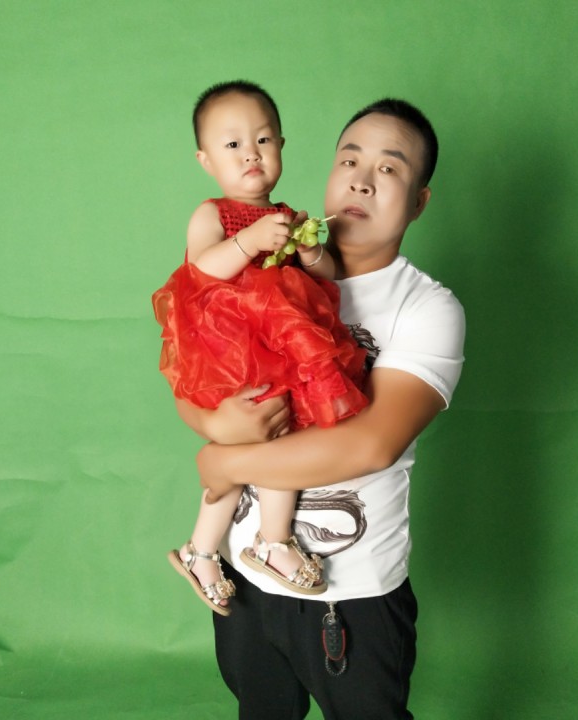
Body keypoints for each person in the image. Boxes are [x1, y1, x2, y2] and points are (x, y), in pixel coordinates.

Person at [178, 98, 466, 719]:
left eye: (388, 169)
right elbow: (200, 369)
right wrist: (215, 423)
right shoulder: (270, 265)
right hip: (246, 582)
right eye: (349, 160)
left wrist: (223, 460)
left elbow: (371, 445)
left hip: (350, 594)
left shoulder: (427, 308)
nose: (361, 180)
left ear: (419, 201)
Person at [153, 81, 368, 616]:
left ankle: (244, 545)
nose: (251, 154)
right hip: (229, 352)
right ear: (206, 160)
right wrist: (249, 241)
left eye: (264, 140)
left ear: (282, 147)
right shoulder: (214, 214)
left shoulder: (288, 216)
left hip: (281, 353)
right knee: (244, 446)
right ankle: (224, 547)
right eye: (233, 145)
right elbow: (203, 270)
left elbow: (327, 274)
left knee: (279, 441)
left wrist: (310, 250)